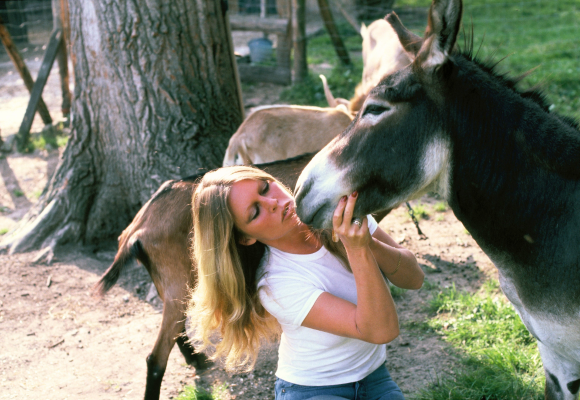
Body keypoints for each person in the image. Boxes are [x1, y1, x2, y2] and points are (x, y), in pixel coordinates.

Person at [187, 166, 424, 400]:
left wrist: (367, 242)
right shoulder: (273, 284)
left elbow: (414, 278)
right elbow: (381, 330)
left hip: (374, 378)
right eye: (255, 212)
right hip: (314, 390)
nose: (272, 202)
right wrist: (358, 249)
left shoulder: (337, 215)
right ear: (245, 238)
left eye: (266, 187)